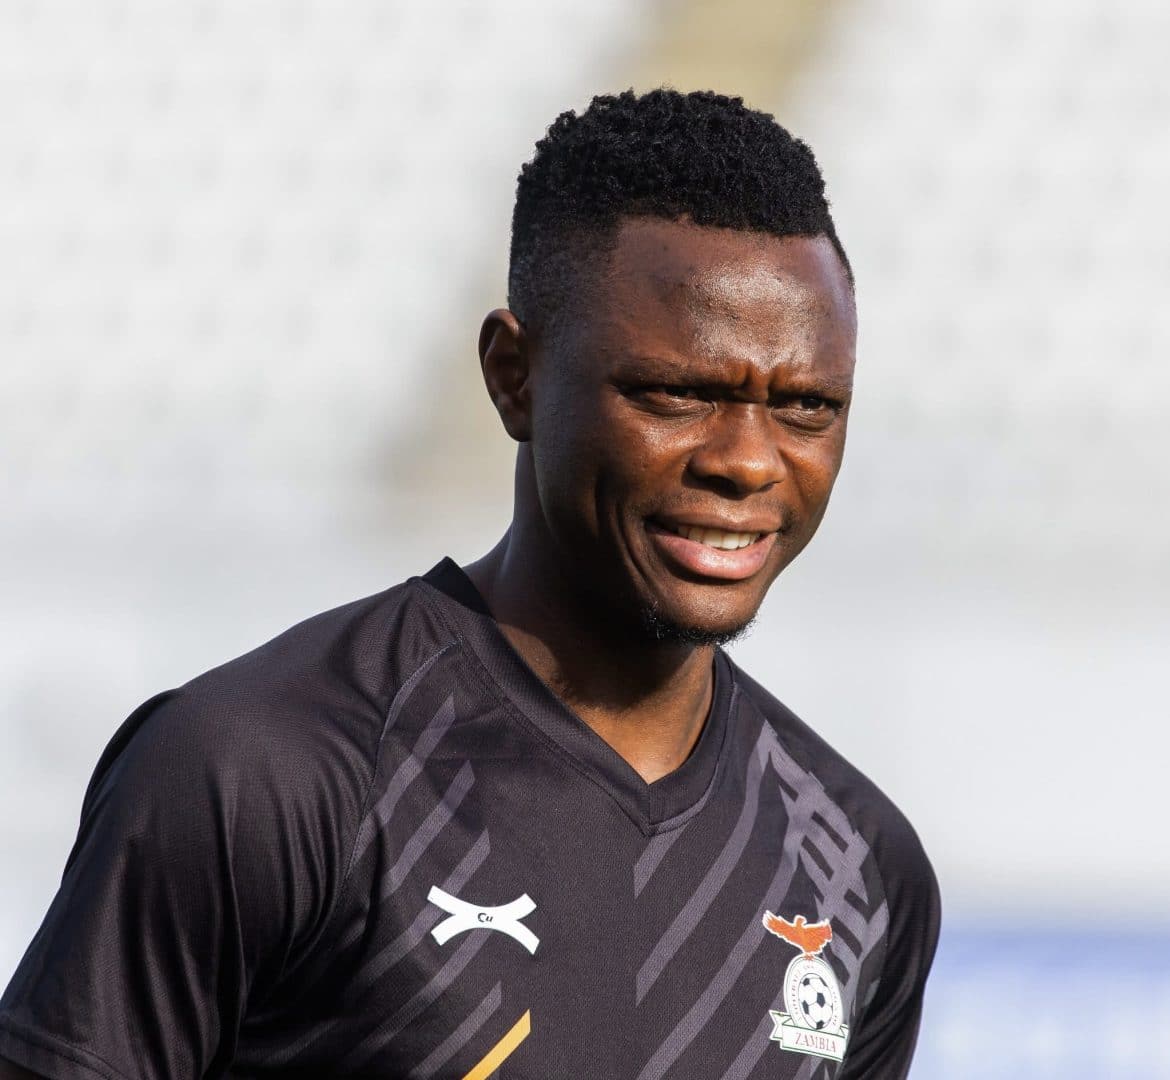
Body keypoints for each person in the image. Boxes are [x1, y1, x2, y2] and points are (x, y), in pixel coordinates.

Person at [0, 89, 940, 1080]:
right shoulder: (265, 774)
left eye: (807, 406)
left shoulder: (862, 868)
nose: (747, 461)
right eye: (676, 393)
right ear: (513, 376)